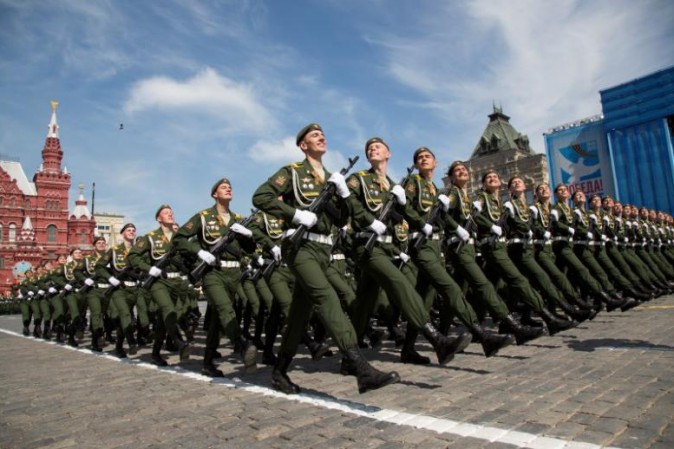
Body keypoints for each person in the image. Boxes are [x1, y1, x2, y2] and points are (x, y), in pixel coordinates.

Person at [252, 123, 399, 395]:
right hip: (301, 248)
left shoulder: (332, 178)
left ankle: (279, 371)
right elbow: (260, 196)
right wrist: (295, 214)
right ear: (303, 145)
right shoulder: (292, 172)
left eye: (322, 134)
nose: (321, 137)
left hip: (324, 250)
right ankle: (360, 367)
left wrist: (343, 194)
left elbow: (341, 219)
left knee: (299, 314)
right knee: (327, 297)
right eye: (314, 135)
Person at [345, 138, 473, 367]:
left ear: (389, 154)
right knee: (400, 284)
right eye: (369, 148)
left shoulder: (394, 185)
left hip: (386, 248)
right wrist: (369, 221)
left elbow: (402, 218)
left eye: (378, 146)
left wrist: (403, 208)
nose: (372, 148)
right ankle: (437, 339)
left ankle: (349, 357)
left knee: (364, 304)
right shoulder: (359, 179)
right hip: (367, 244)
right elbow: (349, 203)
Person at [443, 161, 544, 348]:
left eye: (464, 169)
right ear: (451, 177)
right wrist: (458, 228)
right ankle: (516, 326)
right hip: (460, 247)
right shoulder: (455, 193)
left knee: (458, 292)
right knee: (484, 286)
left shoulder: (465, 196)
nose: (462, 171)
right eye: (457, 170)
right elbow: (443, 213)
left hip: (470, 247)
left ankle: (441, 334)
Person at [473, 169, 575, 335]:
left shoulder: (500, 202)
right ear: (484, 183)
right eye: (488, 177)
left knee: (491, 286)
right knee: (520, 281)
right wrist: (491, 226)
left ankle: (494, 324)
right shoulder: (484, 198)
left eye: (495, 176)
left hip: (503, 246)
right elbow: (476, 214)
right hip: (496, 246)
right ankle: (551, 317)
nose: (492, 178)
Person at [173, 179, 258, 376]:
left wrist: (248, 235)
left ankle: (208, 362)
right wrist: (199, 252)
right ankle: (241, 345)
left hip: (234, 273)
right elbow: (179, 238)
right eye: (223, 187)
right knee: (226, 309)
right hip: (213, 273)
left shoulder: (238, 219)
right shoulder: (203, 217)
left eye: (230, 187)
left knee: (219, 320)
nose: (228, 189)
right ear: (214, 194)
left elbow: (250, 249)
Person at [128, 204, 192, 366]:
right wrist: (149, 269)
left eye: (171, 212)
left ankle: (155, 353)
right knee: (169, 310)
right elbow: (133, 256)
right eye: (166, 213)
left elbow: (189, 258)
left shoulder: (180, 237)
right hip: (159, 282)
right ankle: (179, 342)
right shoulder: (151, 237)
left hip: (176, 282)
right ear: (158, 218)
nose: (170, 214)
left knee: (165, 320)